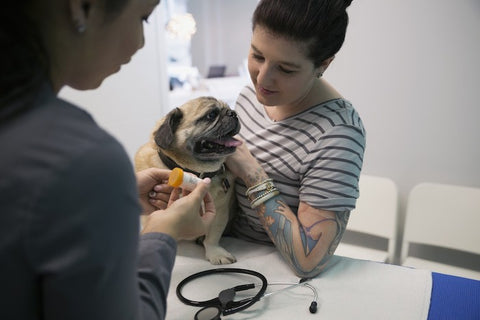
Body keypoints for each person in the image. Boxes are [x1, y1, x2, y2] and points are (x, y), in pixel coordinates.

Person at [0, 1, 215, 319]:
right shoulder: (83, 160)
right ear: (81, 7)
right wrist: (163, 234)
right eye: (143, 17)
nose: (141, 43)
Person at [225, 0, 366, 278]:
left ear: (323, 64)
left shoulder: (337, 133)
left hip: (278, 279)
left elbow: (308, 262)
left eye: (286, 69)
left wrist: (253, 175)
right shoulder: (247, 98)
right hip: (227, 259)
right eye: (257, 56)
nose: (263, 79)